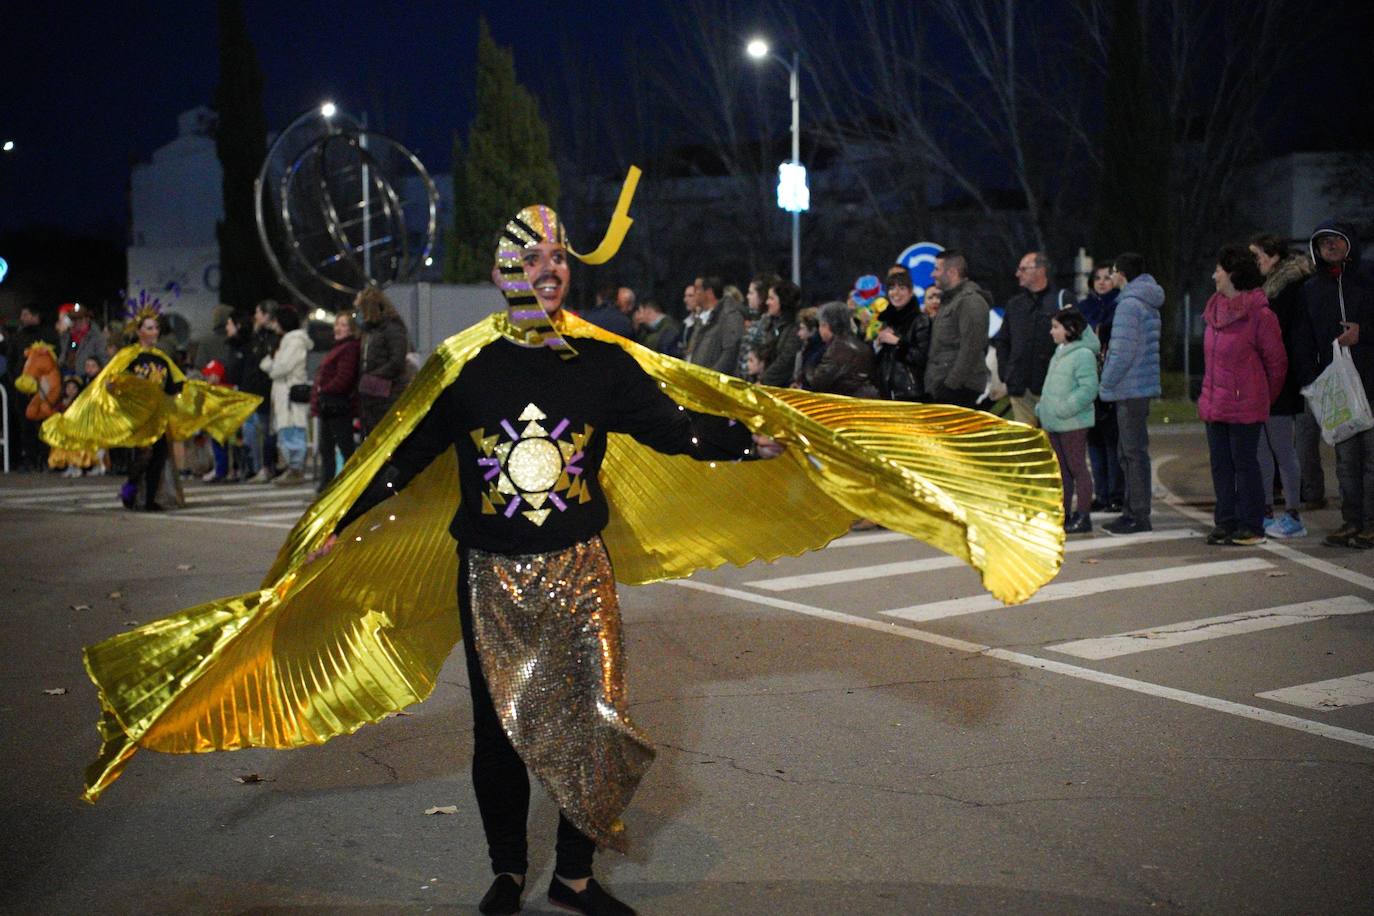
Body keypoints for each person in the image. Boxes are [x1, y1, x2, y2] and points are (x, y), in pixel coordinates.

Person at [76, 197, 1068, 916]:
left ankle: (575, 877)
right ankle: (509, 870)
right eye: (532, 259)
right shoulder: (466, 366)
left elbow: (673, 427)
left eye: (560, 262)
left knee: (598, 719)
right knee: (496, 734)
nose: (549, 273)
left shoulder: (600, 364)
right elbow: (407, 454)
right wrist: (344, 518)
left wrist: (750, 441)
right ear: (511, 271)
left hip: (579, 569)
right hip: (490, 576)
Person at [1292, 221, 1374, 549]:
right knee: (1346, 459)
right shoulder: (1311, 290)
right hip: (1335, 388)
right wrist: (1310, 380)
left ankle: (1370, 523)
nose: (1330, 245)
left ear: (1349, 243)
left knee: (1370, 458)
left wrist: (1363, 334)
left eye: (1336, 240)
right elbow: (1301, 339)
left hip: (1370, 383)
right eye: (1324, 241)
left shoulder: (1368, 278)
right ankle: (1352, 521)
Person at [1199, 246, 1287, 546]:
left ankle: (1251, 525)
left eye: (1219, 270)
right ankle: (1225, 522)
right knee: (1221, 466)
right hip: (1215, 404)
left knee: (1245, 466)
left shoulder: (1260, 315)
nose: (1214, 275)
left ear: (1233, 274)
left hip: (1245, 406)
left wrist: (1260, 397)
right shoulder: (1213, 311)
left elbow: (1277, 364)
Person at [1250, 234, 1316, 538]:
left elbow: (1290, 336)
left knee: (1282, 448)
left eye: (1258, 255)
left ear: (1274, 255)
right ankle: (1265, 510)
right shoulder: (1268, 288)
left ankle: (1292, 514)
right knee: (1263, 448)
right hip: (1265, 378)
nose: (1255, 262)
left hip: (1281, 377)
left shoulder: (1290, 288)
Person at [1099, 252, 1164, 535]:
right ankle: (1132, 510)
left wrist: (1105, 383)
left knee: (1132, 452)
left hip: (1129, 387)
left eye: (1112, 272)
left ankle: (1137, 514)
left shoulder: (1128, 305)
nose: (1110, 277)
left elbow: (1122, 352)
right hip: (1141, 385)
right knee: (1132, 451)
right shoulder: (1147, 301)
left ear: (1121, 274)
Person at [1036, 307, 1099, 533]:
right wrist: (1043, 408)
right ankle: (1064, 514)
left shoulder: (1082, 355)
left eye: (1055, 327)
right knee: (1062, 470)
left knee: (1077, 468)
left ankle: (1084, 516)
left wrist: (1065, 408)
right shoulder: (1061, 351)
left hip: (1072, 423)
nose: (1051, 332)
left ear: (1070, 329)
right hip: (1054, 422)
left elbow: (1089, 388)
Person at [996, 252, 1067, 426]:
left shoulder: (1060, 300)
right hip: (1020, 387)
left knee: (1053, 442)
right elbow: (1003, 341)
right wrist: (1007, 373)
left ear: (1040, 271)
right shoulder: (1015, 304)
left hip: (1051, 387)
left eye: (1023, 269)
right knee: (1026, 443)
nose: (1017, 273)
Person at [1080, 265, 1123, 512]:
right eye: (1097, 278)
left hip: (1110, 380)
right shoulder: (1085, 308)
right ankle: (1102, 494)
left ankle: (1116, 494)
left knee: (1112, 441)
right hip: (1088, 380)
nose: (1102, 282)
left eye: (1107, 277)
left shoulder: (1118, 307)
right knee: (1094, 441)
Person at [925, 249, 991, 408]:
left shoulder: (970, 301)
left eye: (936, 269)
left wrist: (951, 385)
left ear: (952, 272)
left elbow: (971, 348)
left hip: (959, 389)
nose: (932, 274)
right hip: (944, 386)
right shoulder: (950, 300)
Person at [261, 306, 314, 485]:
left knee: (293, 430)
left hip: (290, 393)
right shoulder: (286, 341)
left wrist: (271, 366)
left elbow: (281, 367)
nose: (274, 325)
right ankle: (292, 467)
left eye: (276, 321)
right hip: (284, 393)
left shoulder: (294, 341)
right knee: (286, 430)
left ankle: (296, 468)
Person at [312, 311, 361, 493]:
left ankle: (344, 484)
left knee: (343, 446)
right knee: (328, 447)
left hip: (337, 404)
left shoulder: (349, 348)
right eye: (337, 324)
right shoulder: (339, 347)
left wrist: (325, 389)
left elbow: (344, 377)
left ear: (351, 329)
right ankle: (328, 484)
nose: (338, 328)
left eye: (343, 325)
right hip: (330, 403)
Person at [357, 286, 411, 437]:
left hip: (388, 393)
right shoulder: (371, 331)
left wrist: (371, 378)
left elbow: (397, 362)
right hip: (373, 393)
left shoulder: (392, 328)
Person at [873, 267, 930, 402]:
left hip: (911, 393)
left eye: (902, 288)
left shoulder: (920, 320)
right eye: (892, 288)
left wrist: (898, 342)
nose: (896, 293)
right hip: (886, 392)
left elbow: (922, 357)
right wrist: (877, 344)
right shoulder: (886, 320)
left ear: (911, 292)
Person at [242, 300, 281, 482]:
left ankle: (268, 466)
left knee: (267, 430)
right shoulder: (257, 336)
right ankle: (263, 466)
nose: (255, 317)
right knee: (260, 429)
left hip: (267, 389)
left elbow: (264, 362)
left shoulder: (273, 338)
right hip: (256, 388)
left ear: (266, 315)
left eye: (258, 313)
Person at [808, 300, 879, 397]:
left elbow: (818, 383)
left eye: (820, 325)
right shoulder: (862, 345)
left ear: (826, 325)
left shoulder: (837, 349)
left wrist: (808, 368)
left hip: (844, 406)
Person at [686, 275, 745, 375]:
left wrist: (711, 378)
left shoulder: (729, 316)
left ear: (708, 292)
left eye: (697, 289)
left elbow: (730, 354)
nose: (694, 293)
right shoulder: (700, 319)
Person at [757, 280, 802, 387]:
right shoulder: (771, 325)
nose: (767, 302)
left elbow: (786, 360)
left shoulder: (795, 328)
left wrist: (763, 382)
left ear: (783, 301)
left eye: (771, 298)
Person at [791, 306, 824, 387]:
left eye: (802, 328)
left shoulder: (818, 351)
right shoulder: (806, 347)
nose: (799, 333)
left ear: (813, 330)